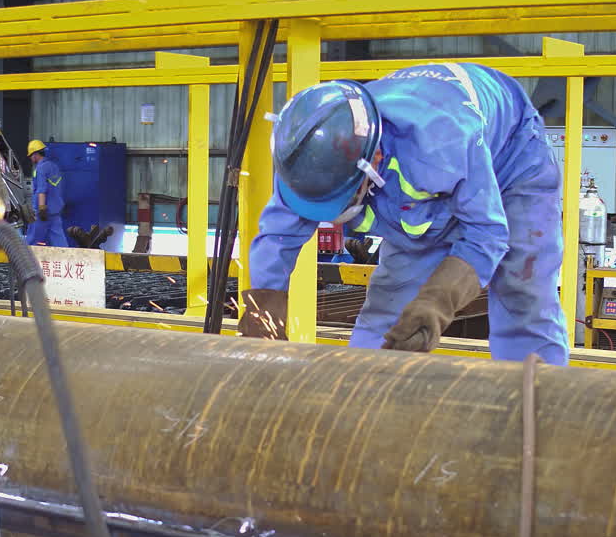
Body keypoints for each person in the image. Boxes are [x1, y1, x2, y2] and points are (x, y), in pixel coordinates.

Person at [238, 63, 567, 364]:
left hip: (512, 158)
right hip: (419, 185)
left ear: (374, 161)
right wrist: (262, 306)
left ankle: (536, 408)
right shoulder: (307, 155)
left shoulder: (438, 146)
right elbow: (278, 236)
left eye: (343, 200)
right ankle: (363, 405)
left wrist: (437, 303)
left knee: (523, 291)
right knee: (390, 312)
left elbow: (487, 236)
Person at [25, 139, 69, 248]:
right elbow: (57, 187)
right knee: (59, 239)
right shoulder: (54, 166)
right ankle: (66, 260)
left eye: (31, 156)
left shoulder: (40, 168)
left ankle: (25, 262)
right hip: (55, 210)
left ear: (35, 154)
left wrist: (41, 208)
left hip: (42, 212)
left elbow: (42, 190)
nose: (31, 159)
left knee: (32, 239)